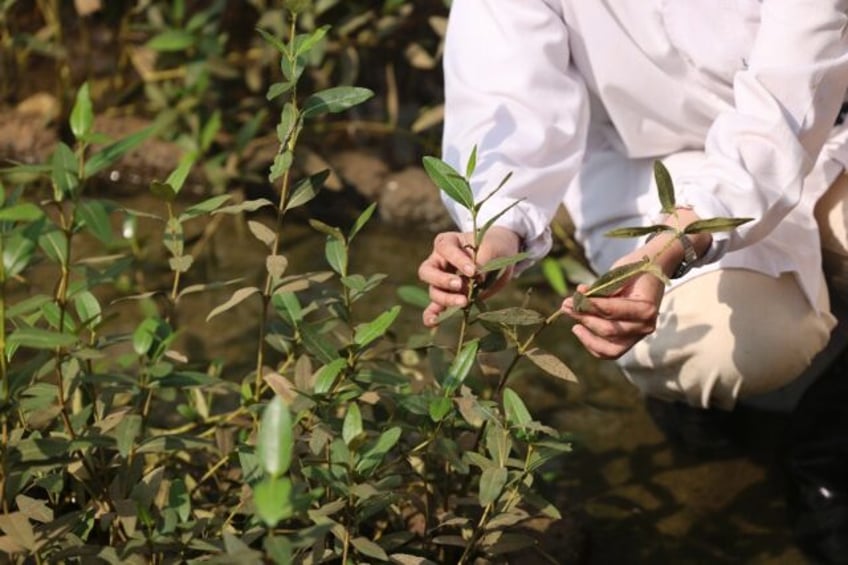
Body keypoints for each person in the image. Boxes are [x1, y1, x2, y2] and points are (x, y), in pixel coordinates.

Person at [417, 1, 848, 562]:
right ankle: (702, 410)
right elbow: (508, 97)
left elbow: (784, 109)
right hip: (653, 164)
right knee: (724, 348)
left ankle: (832, 450)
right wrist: (496, 232)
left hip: (820, 125)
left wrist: (678, 240)